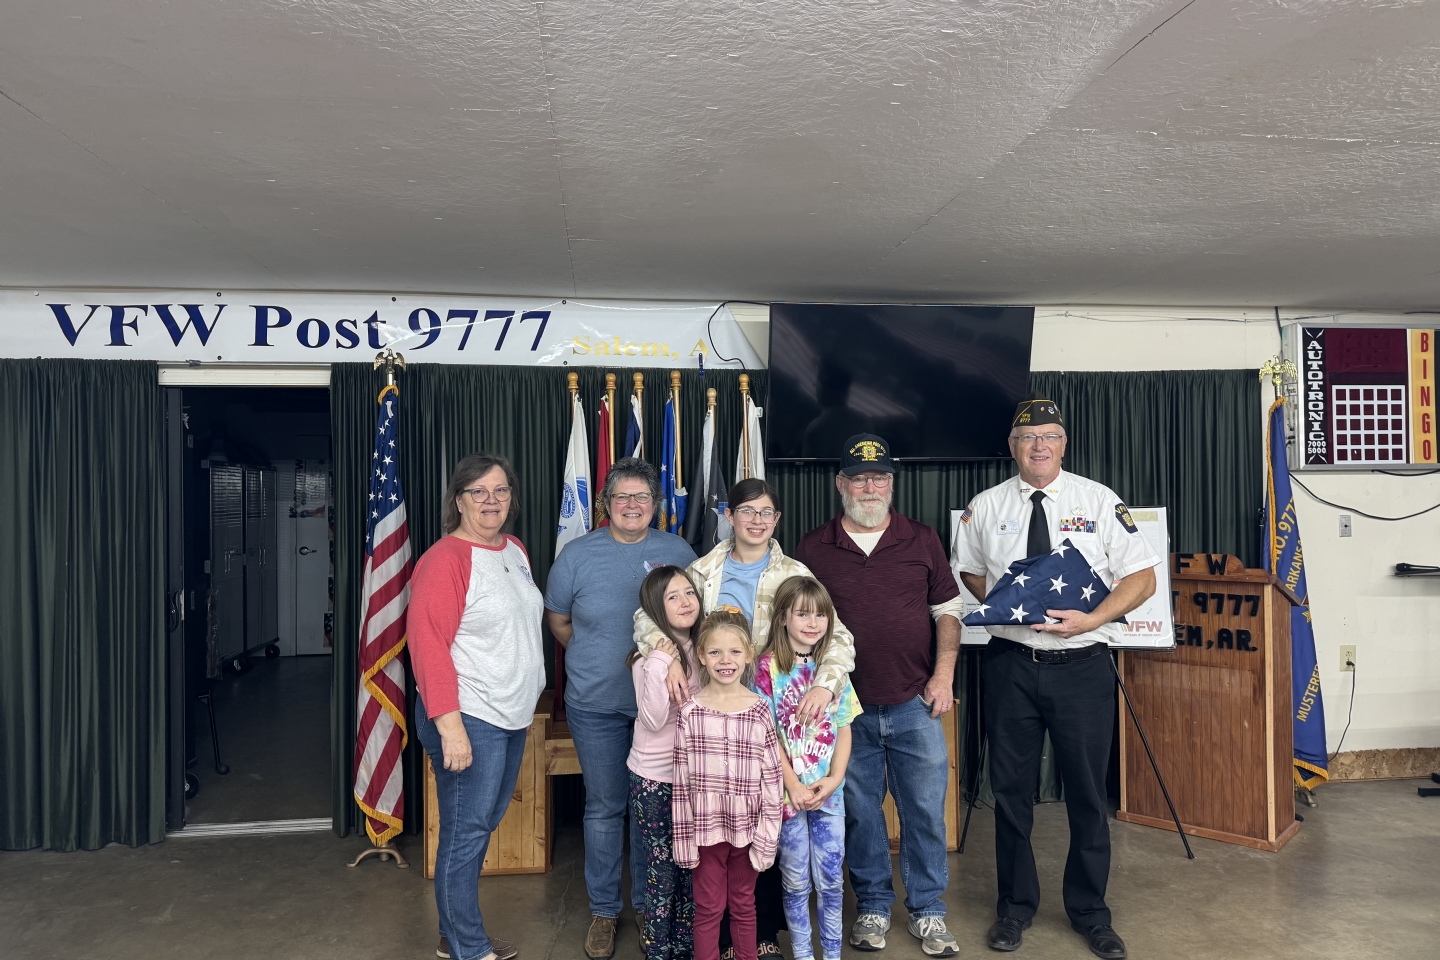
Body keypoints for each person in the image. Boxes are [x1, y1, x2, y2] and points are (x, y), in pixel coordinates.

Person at [950, 395, 1159, 960]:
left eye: (1048, 436)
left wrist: (1093, 618)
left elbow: (1142, 578)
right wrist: (1011, 606)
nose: (1038, 445)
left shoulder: (1099, 500)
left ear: (1064, 444)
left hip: (1083, 668)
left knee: (1088, 794)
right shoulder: (986, 506)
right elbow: (970, 571)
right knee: (1010, 794)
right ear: (1012, 446)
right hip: (1011, 664)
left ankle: (1090, 912)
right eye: (1027, 437)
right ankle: (1014, 909)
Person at [634, 477, 856, 960]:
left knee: (766, 824)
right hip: (717, 716)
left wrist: (825, 684)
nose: (757, 520)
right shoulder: (703, 570)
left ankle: (762, 936)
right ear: (729, 517)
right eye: (747, 511)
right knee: (724, 830)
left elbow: (837, 634)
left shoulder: (795, 571)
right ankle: (722, 943)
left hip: (777, 709)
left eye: (766, 512)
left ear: (777, 520)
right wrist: (665, 652)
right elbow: (649, 613)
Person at [793, 434, 965, 958]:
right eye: (859, 478)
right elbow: (796, 622)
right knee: (861, 814)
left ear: (892, 483)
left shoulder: (922, 538)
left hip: (916, 703)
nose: (870, 487)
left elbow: (948, 611)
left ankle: (928, 910)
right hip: (847, 712)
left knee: (925, 813)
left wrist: (943, 675)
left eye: (880, 478)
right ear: (840, 484)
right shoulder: (813, 547)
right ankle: (872, 906)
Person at [545, 457, 698, 960]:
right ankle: (605, 912)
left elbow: (692, 617)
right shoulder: (576, 555)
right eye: (622, 496)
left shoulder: (677, 551)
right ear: (604, 504)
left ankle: (652, 908)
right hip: (596, 706)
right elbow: (559, 621)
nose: (632, 505)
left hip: (666, 711)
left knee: (657, 812)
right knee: (605, 807)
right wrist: (596, 659)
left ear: (656, 504)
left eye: (642, 496)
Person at [411, 453, 545, 960]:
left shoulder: (514, 549)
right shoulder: (444, 559)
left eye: (501, 490)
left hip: (509, 713)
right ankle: (467, 946)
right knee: (466, 833)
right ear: (459, 500)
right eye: (479, 492)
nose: (492, 500)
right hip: (469, 716)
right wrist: (451, 728)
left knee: (479, 826)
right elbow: (428, 645)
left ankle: (455, 938)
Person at [754, 577, 861, 960]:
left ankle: (831, 955)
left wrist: (835, 779)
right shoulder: (766, 669)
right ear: (783, 617)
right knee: (796, 881)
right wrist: (793, 786)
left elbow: (844, 727)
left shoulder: (833, 671)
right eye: (803, 614)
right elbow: (767, 736)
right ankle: (802, 954)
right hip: (788, 798)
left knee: (831, 881)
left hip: (829, 796)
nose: (813, 623)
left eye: (820, 615)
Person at [672, 611, 785, 960]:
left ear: (749, 655)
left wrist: (767, 838)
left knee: (743, 905)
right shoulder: (690, 713)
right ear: (702, 656)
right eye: (715, 652)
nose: (725, 660)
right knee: (708, 909)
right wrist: (684, 841)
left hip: (748, 830)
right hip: (705, 832)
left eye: (735, 651)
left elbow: (773, 780)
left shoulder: (760, 710)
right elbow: (681, 783)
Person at [627, 566, 704, 960]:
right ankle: (658, 949)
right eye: (672, 597)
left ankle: (685, 946)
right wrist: (661, 659)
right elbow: (654, 719)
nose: (685, 602)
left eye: (689, 592)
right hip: (655, 779)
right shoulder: (647, 659)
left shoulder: (704, 649)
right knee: (663, 869)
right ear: (656, 609)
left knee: (691, 865)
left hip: (693, 776)